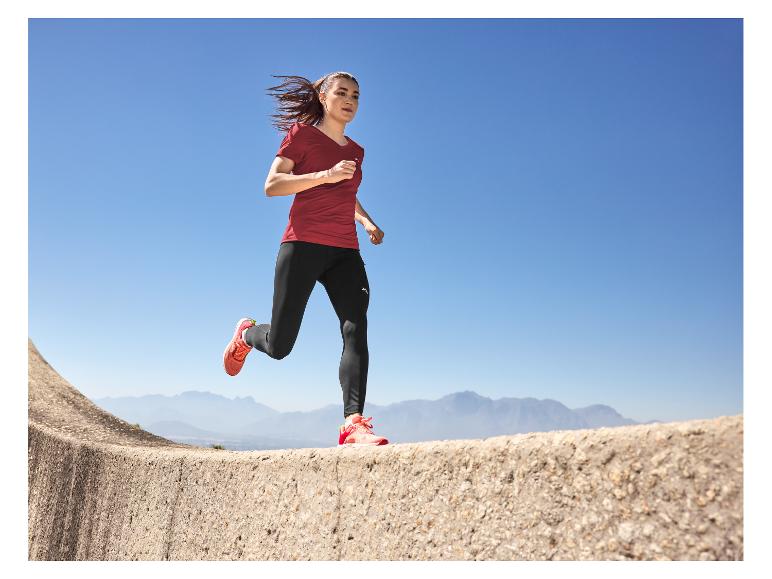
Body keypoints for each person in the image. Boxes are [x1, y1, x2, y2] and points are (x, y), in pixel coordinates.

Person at [222, 71, 389, 446]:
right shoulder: (302, 135)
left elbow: (347, 195)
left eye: (356, 95)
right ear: (323, 97)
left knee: (355, 325)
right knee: (280, 346)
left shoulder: (356, 151)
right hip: (301, 245)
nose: (350, 100)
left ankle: (354, 423)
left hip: (345, 250)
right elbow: (273, 185)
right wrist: (325, 174)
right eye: (342, 92)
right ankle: (247, 335)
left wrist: (365, 220)